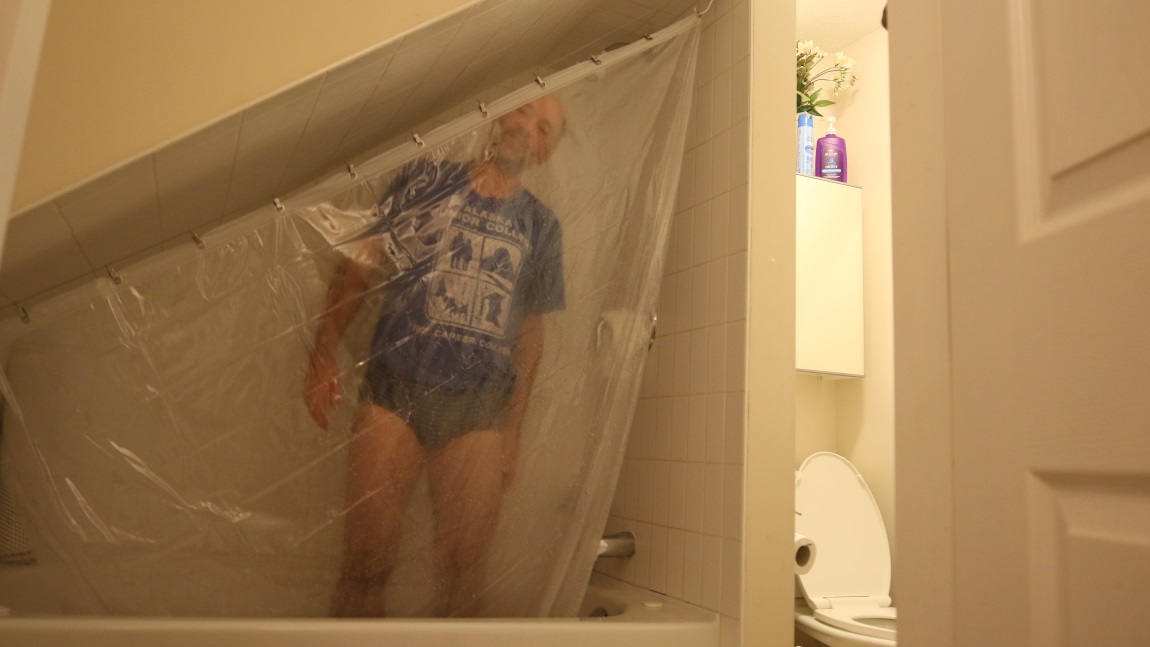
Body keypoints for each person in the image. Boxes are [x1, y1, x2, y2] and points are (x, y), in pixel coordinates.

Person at [303, 95, 567, 618]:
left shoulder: (542, 226)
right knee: (366, 560)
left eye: (544, 129)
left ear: (544, 154)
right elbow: (358, 270)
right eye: (523, 111)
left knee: (464, 573)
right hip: (395, 388)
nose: (526, 128)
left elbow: (531, 338)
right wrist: (322, 354)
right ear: (498, 115)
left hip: (480, 409)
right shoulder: (424, 180)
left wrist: (514, 428)